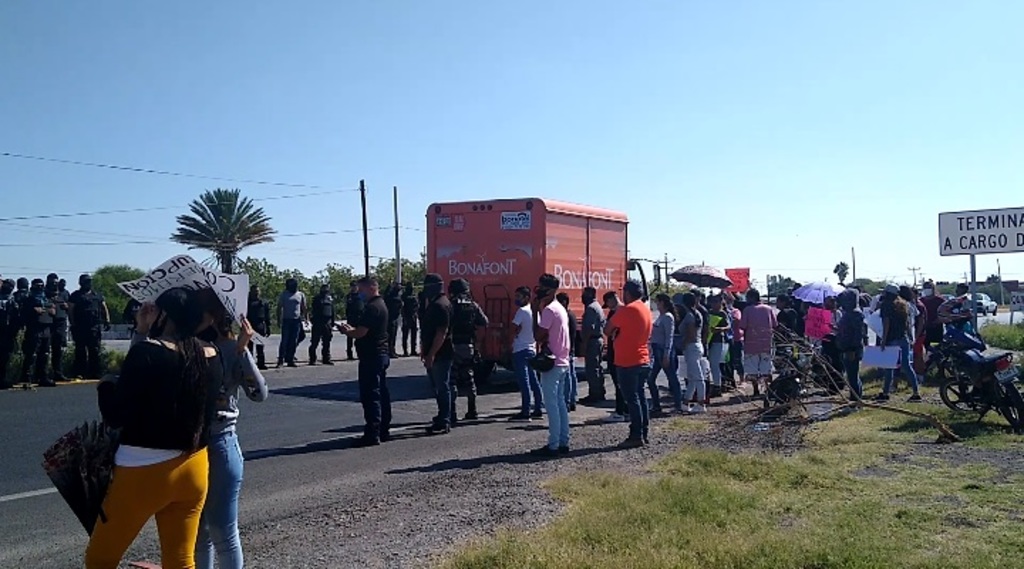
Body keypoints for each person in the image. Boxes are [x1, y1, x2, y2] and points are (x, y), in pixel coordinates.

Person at [86, 287, 219, 569]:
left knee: (100, 559)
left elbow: (116, 415)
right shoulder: (210, 354)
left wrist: (105, 386)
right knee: (180, 560)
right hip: (194, 466)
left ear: (165, 314)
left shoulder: (147, 353)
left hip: (142, 469)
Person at [194, 290, 266, 569]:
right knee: (199, 532)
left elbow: (259, 393)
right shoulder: (186, 344)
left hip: (220, 443)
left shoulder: (229, 347)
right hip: (192, 445)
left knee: (222, 532)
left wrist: (242, 350)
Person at [339, 276, 392, 446]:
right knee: (381, 392)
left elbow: (361, 332)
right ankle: (383, 429)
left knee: (371, 395)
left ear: (371, 288)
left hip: (372, 356)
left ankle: (373, 432)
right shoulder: (381, 304)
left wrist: (348, 331)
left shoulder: (372, 307)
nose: (359, 294)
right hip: (380, 354)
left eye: (361, 290)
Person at [605, 280, 652, 447]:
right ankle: (643, 432)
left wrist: (616, 332)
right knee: (640, 397)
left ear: (627, 293)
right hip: (642, 358)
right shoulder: (645, 309)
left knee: (632, 400)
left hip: (628, 361)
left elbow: (607, 329)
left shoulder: (627, 310)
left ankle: (636, 435)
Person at [530, 274, 572, 457]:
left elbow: (538, 335)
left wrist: (534, 312)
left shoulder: (549, 311)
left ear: (550, 290)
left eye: (541, 288)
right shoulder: (559, 308)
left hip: (552, 363)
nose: (539, 291)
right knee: (560, 403)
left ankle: (553, 444)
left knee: (551, 404)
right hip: (562, 360)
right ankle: (563, 441)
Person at [419, 274, 455, 434]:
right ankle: (442, 417)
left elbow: (441, 333)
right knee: (439, 387)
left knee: (442, 387)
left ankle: (445, 419)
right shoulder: (437, 303)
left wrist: (431, 354)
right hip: (436, 352)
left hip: (441, 353)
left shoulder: (440, 305)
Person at [449, 278, 489, 421]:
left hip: (453, 346)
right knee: (469, 379)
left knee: (451, 380)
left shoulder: (451, 305)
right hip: (468, 346)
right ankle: (472, 410)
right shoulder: (473, 305)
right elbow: (484, 322)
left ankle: (452, 413)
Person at [876, 284, 921, 402]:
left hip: (892, 339)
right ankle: (916, 392)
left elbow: (886, 323)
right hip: (903, 338)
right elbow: (907, 323)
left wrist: (883, 340)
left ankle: (885, 392)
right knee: (907, 365)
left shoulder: (886, 305)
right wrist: (910, 337)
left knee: (889, 367)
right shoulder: (903, 304)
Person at [509, 286, 543, 421]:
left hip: (520, 349)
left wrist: (508, 343)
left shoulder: (522, 311)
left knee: (524, 381)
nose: (516, 299)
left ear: (527, 298)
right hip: (531, 348)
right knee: (534, 381)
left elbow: (513, 328)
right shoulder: (534, 312)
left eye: (519, 296)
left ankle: (525, 411)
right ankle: (538, 408)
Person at [69, 273, 110, 380]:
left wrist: (107, 320)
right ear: (81, 283)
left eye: (89, 281)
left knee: (95, 350)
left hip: (94, 327)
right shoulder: (75, 295)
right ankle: (80, 373)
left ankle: (95, 372)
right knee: (80, 351)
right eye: (86, 281)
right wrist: (72, 323)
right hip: (80, 327)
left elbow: (104, 307)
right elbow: (71, 309)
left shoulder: (97, 295)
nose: (88, 283)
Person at [647, 294, 679, 416]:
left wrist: (666, 354)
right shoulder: (660, 316)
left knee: (672, 378)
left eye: (658, 302)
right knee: (650, 379)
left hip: (664, 351)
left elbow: (669, 337)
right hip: (656, 350)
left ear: (663, 303)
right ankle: (656, 405)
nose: (656, 304)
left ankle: (678, 404)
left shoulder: (668, 317)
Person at [741, 289, 777, 396]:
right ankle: (767, 389)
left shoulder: (747, 310)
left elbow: (743, 326)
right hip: (766, 344)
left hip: (751, 344)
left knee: (752, 369)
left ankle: (756, 389)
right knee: (766, 368)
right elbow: (775, 324)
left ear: (751, 298)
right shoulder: (769, 309)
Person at [21, 278, 55, 387]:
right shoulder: (29, 299)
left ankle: (43, 377)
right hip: (34, 328)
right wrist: (34, 310)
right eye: (37, 286)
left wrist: (51, 311)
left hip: (46, 328)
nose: (40, 288)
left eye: (41, 286)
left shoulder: (47, 299)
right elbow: (24, 313)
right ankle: (27, 377)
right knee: (32, 354)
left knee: (45, 354)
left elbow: (53, 310)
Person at [603, 291, 630, 423]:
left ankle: (620, 411)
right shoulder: (622, 311)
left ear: (612, 299)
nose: (608, 306)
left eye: (607, 303)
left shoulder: (619, 312)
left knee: (619, 383)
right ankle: (625, 409)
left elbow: (609, 331)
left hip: (617, 351)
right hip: (616, 350)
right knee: (621, 383)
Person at [677, 293, 707, 414]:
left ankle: (701, 403)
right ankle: (686, 401)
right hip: (697, 346)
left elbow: (690, 334)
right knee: (693, 377)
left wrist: (683, 344)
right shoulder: (697, 314)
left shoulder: (689, 316)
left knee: (698, 377)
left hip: (691, 347)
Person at [834, 288, 867, 399]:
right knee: (852, 375)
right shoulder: (848, 313)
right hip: (846, 347)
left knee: (852, 376)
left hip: (852, 349)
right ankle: (857, 398)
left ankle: (855, 399)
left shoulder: (855, 314)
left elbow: (858, 334)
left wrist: (852, 349)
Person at [578, 286, 607, 406]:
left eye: (584, 294)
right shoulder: (597, 306)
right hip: (598, 339)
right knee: (597, 367)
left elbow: (589, 328)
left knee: (592, 369)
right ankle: (599, 391)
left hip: (593, 341)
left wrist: (584, 344)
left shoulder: (591, 308)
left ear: (590, 294)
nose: (582, 297)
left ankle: (595, 394)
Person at [555, 293, 579, 411]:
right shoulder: (570, 315)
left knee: (567, 376)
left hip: (566, 348)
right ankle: (572, 399)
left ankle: (567, 401)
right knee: (571, 375)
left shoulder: (566, 315)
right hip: (569, 348)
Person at [276, 278, 306, 368]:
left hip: (296, 321)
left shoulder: (300, 294)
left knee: (294, 341)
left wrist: (306, 318)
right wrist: (278, 320)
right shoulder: (284, 294)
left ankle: (290, 359)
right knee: (284, 341)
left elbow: (303, 307)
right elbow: (279, 307)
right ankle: (280, 360)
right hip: (286, 320)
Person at [706, 294, 732, 399]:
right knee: (708, 364)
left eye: (716, 302)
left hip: (718, 341)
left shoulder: (722, 313)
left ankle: (717, 386)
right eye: (713, 302)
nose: (714, 304)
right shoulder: (709, 312)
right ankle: (712, 385)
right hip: (708, 340)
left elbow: (728, 326)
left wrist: (720, 329)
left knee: (715, 364)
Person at [47, 273, 71, 381]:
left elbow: (70, 306)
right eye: (52, 282)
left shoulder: (64, 293)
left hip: (60, 323)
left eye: (56, 282)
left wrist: (66, 306)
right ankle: (42, 374)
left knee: (58, 350)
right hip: (48, 323)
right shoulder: (44, 292)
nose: (54, 284)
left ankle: (58, 373)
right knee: (44, 350)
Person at [308, 284, 335, 365]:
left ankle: (326, 358)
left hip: (327, 322)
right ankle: (312, 359)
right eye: (324, 289)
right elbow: (313, 311)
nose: (326, 290)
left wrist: (332, 321)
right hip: (318, 322)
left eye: (327, 289)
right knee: (314, 342)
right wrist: (313, 321)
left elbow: (332, 310)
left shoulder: (329, 299)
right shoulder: (317, 299)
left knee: (327, 342)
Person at [246, 285, 271, 370]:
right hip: (249, 325)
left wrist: (268, 327)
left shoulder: (263, 302)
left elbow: (267, 316)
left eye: (257, 291)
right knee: (249, 347)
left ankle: (261, 363)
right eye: (254, 291)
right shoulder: (247, 302)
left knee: (260, 346)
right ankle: (249, 364)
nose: (256, 293)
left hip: (260, 325)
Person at [0, 279, 18, 389]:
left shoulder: (12, 300)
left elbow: (16, 317)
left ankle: (2, 379)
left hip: (8, 332)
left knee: (5, 357)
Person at [725, 292, 744, 389]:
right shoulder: (722, 312)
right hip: (727, 339)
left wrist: (729, 315)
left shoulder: (736, 311)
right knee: (728, 361)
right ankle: (730, 379)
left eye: (728, 300)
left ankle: (741, 379)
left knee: (738, 359)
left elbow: (737, 320)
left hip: (736, 338)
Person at [919, 280, 946, 347]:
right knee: (924, 346)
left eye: (929, 287)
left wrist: (939, 320)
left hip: (936, 327)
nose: (927, 289)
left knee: (937, 346)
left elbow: (945, 313)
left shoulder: (940, 300)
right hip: (924, 328)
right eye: (925, 287)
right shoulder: (920, 301)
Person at [344, 281, 364, 360]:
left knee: (360, 337)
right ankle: (349, 354)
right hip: (351, 318)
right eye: (352, 286)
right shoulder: (349, 296)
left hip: (359, 318)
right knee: (350, 337)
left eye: (355, 286)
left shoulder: (361, 295)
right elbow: (347, 308)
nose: (354, 288)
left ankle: (360, 353)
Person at [401, 283, 419, 357]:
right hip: (407, 316)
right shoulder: (404, 296)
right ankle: (405, 351)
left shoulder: (413, 295)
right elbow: (402, 307)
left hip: (413, 316)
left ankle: (413, 350)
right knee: (405, 335)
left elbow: (417, 306)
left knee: (413, 334)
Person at [386, 284, 403, 358]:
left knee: (393, 336)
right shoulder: (392, 298)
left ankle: (392, 350)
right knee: (391, 336)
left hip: (394, 318)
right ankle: (390, 351)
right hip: (391, 318)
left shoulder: (395, 297)